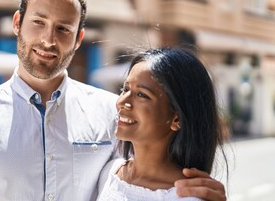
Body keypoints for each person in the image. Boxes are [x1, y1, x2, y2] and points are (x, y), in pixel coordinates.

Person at [0, 0, 226, 201]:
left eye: (63, 29)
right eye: (38, 22)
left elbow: (151, 175)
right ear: (17, 23)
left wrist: (197, 191)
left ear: (79, 39)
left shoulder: (113, 114)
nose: (48, 40)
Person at [97, 48, 229, 200]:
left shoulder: (186, 197)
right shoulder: (109, 172)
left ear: (176, 119)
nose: (122, 102)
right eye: (125, 89)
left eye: (142, 95)